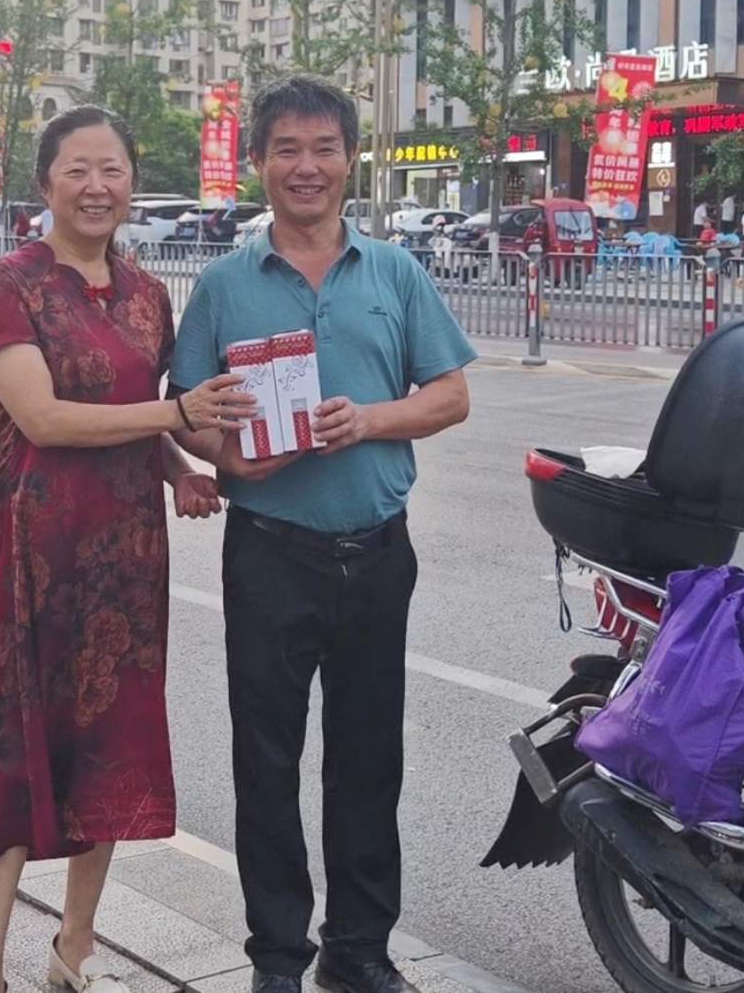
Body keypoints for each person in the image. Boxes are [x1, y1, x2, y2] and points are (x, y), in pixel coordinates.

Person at [170, 75, 476, 993]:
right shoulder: (224, 285)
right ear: (258, 162)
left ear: (350, 159)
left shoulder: (395, 273)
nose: (307, 167)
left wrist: (370, 420)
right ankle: (276, 958)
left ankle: (359, 950)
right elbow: (184, 409)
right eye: (287, 150)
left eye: (324, 149)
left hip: (377, 551)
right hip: (270, 551)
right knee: (265, 761)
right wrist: (228, 454)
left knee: (369, 759)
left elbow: (451, 396)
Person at [0, 105, 257, 993]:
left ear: (132, 181)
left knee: (110, 745)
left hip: (129, 550)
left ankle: (75, 948)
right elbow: (45, 418)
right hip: (41, 546)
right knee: (20, 748)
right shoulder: (8, 285)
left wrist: (177, 469)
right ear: (45, 182)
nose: (97, 187)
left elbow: (134, 413)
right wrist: (178, 415)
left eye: (113, 170)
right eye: (77, 170)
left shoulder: (144, 293)